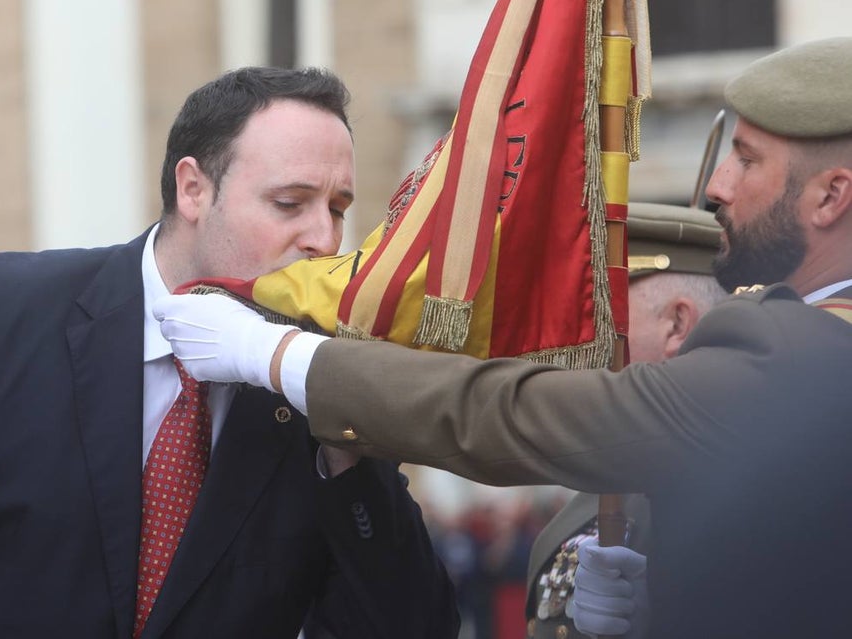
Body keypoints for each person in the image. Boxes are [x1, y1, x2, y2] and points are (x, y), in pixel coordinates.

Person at [155, 37, 852, 637]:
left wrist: (278, 354)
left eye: (749, 159)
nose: (718, 186)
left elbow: (511, 413)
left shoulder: (805, 353)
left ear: (831, 195)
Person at [0, 67, 459, 639]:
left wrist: (347, 442)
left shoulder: (311, 385)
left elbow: (412, 624)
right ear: (194, 189)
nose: (323, 237)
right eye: (290, 202)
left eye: (337, 207)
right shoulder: (0, 315)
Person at [525, 202, 725, 639]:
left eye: (604, 315)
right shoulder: (608, 476)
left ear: (677, 324)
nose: (587, 339)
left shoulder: (734, 486)